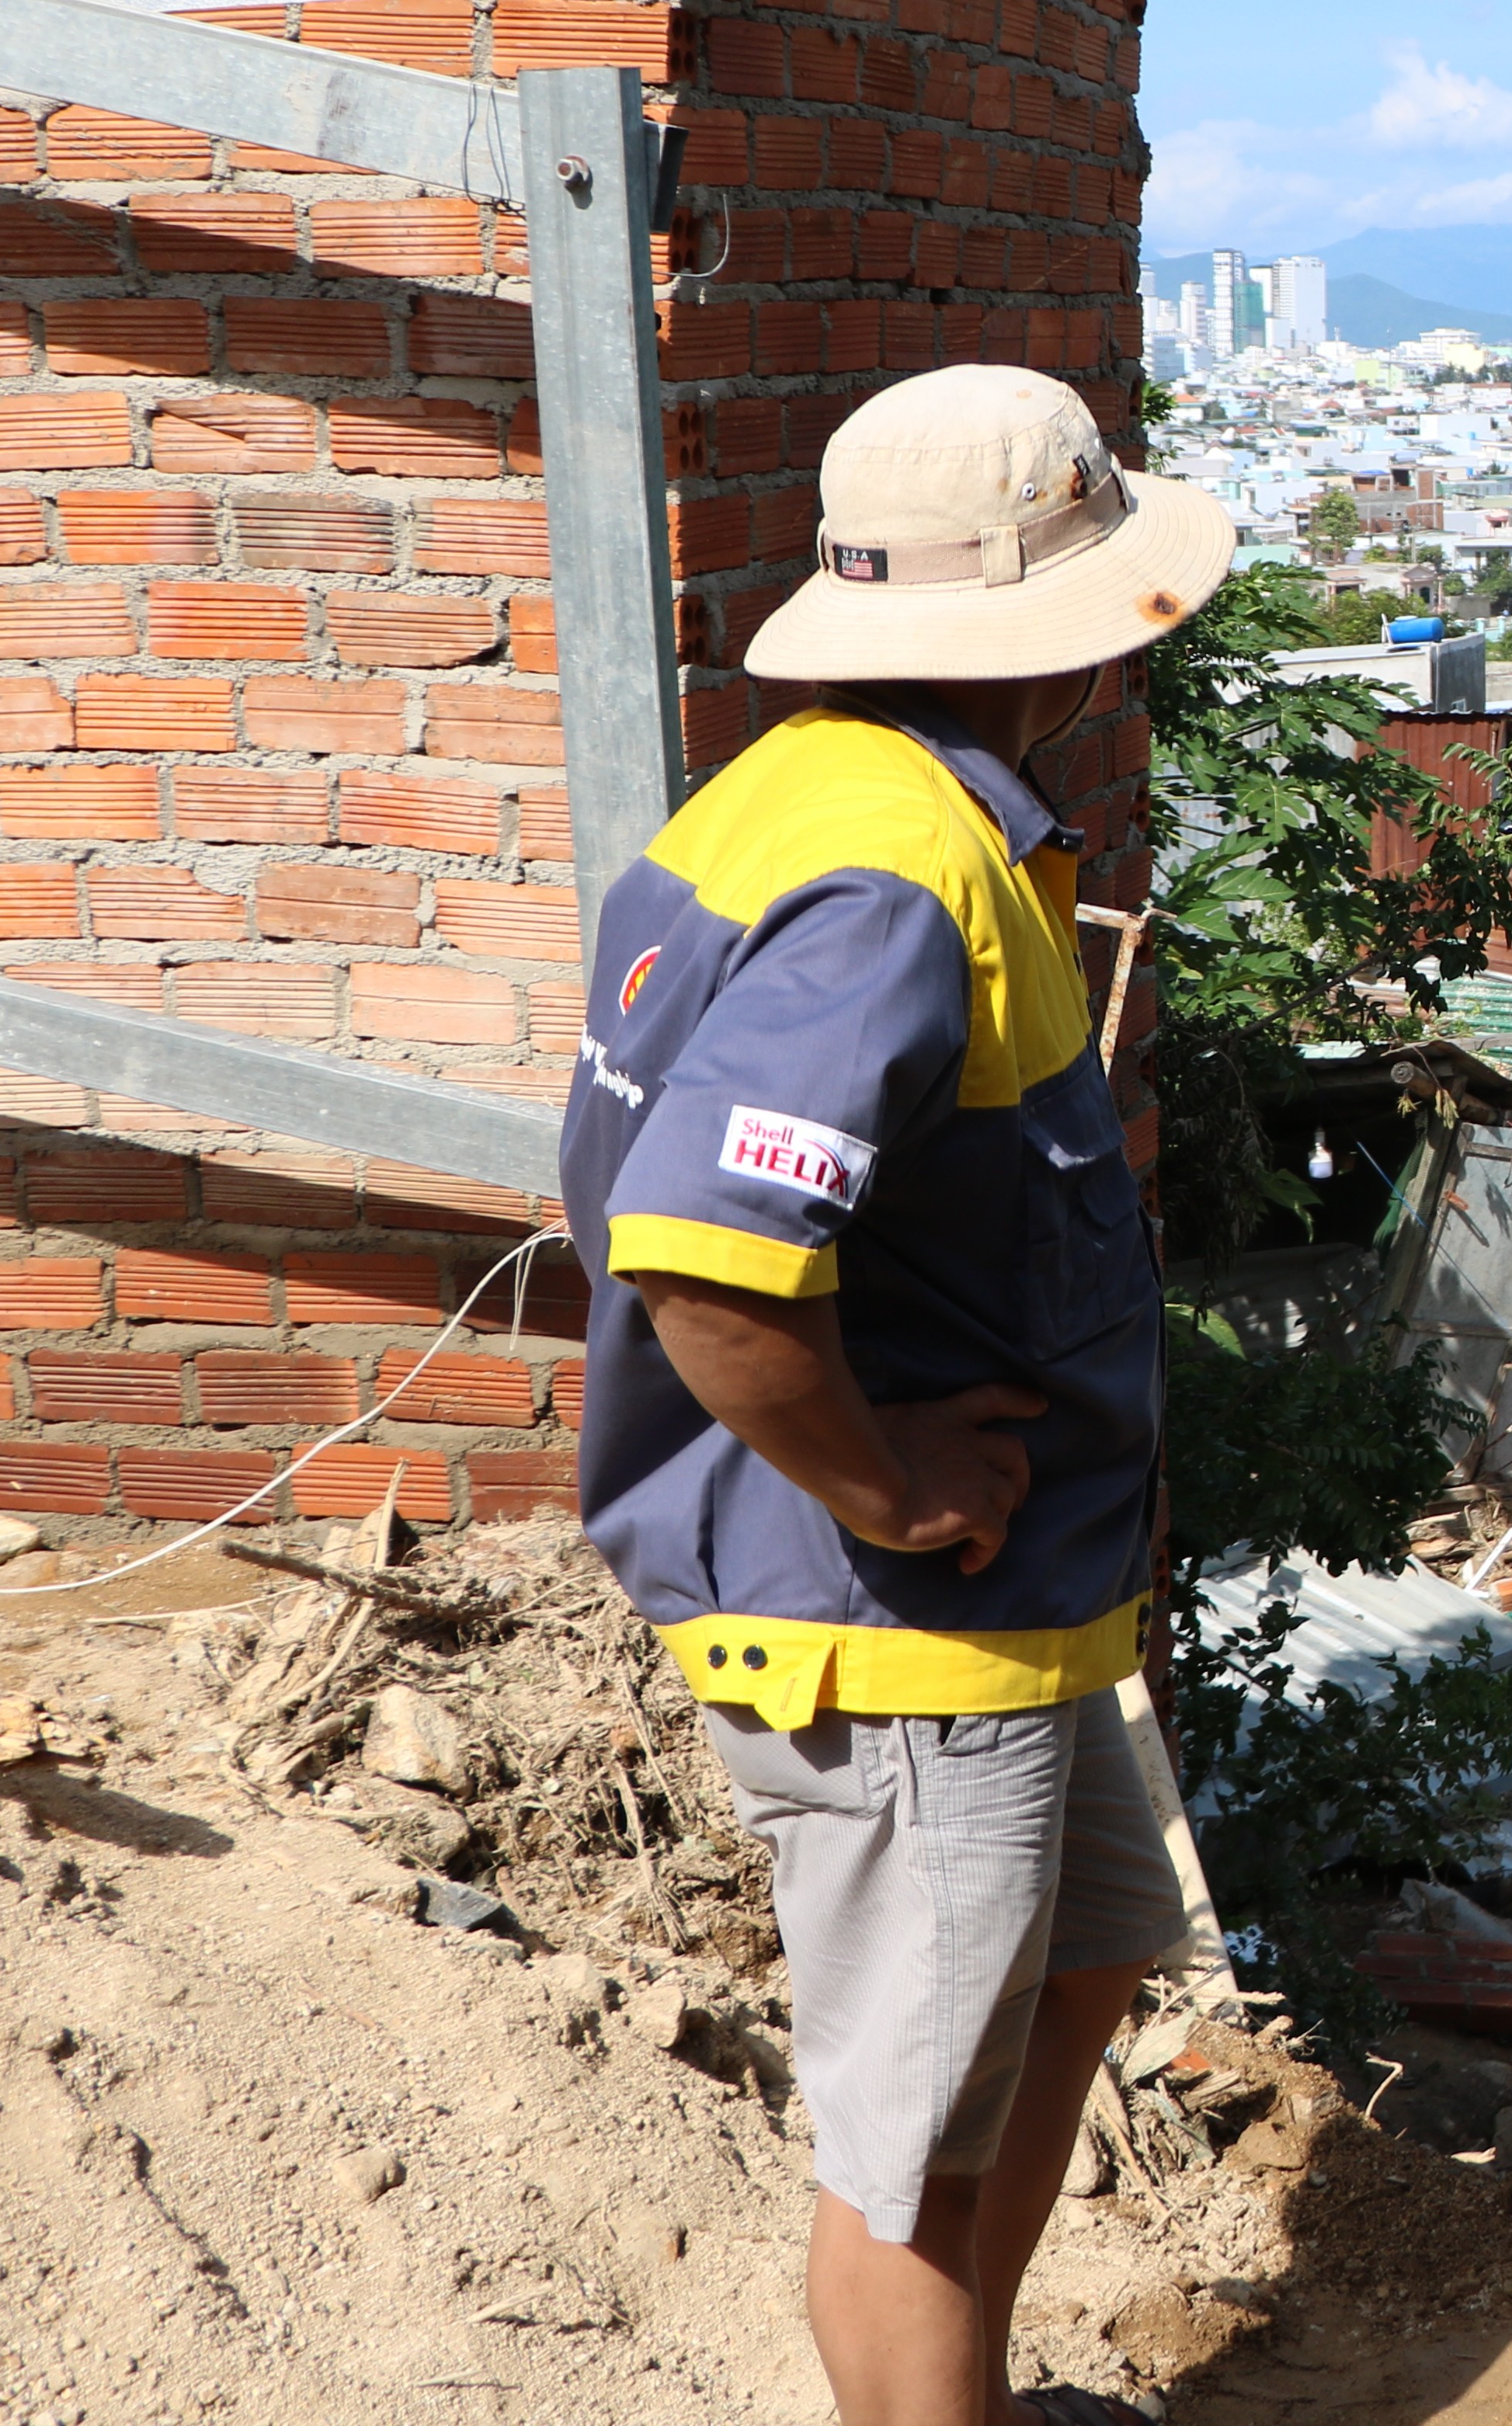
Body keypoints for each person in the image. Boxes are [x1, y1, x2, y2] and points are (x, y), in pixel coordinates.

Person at [563, 365, 1236, 2426]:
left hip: (1008, 1626)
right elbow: (704, 1255)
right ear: (1086, 628)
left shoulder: (821, 801)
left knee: (1094, 1944)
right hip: (905, 1638)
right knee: (916, 2181)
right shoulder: (891, 891)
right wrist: (880, 1481)